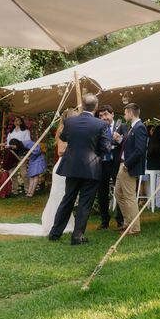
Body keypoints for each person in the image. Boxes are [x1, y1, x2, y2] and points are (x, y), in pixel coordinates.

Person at [0, 110, 77, 237]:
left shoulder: (73, 131)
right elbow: (61, 151)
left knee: (65, 195)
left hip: (69, 165)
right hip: (63, 166)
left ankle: (65, 222)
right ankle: (56, 223)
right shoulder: (62, 131)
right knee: (60, 195)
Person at [48, 94, 111, 245]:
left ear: (82, 105)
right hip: (91, 167)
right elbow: (106, 148)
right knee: (85, 203)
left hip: (72, 166)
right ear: (96, 107)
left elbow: (64, 137)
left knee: (67, 199)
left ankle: (55, 233)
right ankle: (77, 236)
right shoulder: (101, 125)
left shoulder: (70, 122)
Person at [113, 103, 148, 235]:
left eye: (126, 113)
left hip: (128, 166)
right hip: (123, 165)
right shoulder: (132, 127)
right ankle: (128, 222)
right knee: (118, 193)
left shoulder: (140, 128)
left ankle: (134, 228)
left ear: (131, 113)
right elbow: (130, 146)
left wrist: (127, 165)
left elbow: (140, 150)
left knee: (129, 197)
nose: (124, 115)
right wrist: (120, 139)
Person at [96, 105, 126, 229]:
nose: (104, 118)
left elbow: (126, 143)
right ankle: (104, 221)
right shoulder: (97, 128)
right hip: (102, 163)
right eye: (101, 116)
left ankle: (120, 220)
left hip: (116, 163)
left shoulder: (122, 126)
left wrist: (119, 140)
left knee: (119, 191)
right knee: (102, 193)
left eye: (106, 114)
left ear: (112, 114)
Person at [6, 115, 31, 191]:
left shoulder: (25, 131)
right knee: (12, 172)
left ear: (21, 122)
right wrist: (9, 146)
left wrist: (18, 146)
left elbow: (27, 142)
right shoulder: (11, 132)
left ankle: (28, 189)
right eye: (15, 120)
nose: (16, 121)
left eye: (18, 120)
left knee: (24, 173)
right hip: (12, 153)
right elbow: (7, 143)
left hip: (21, 152)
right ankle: (14, 190)